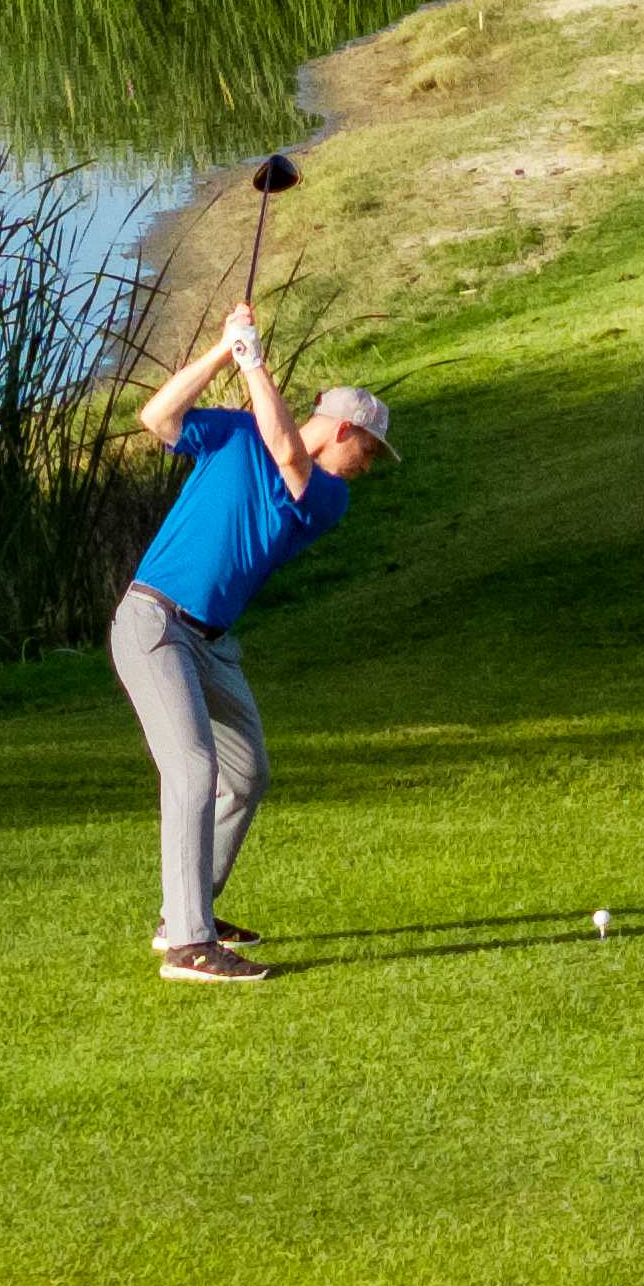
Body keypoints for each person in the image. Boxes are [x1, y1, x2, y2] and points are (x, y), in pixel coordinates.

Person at [109, 297, 390, 985]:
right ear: (346, 430)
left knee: (246, 772)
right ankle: (188, 947)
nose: (369, 464)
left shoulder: (326, 496)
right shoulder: (234, 433)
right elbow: (157, 419)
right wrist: (221, 349)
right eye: (370, 450)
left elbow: (289, 449)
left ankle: (187, 910)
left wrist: (252, 358)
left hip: (211, 642)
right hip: (154, 624)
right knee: (193, 768)